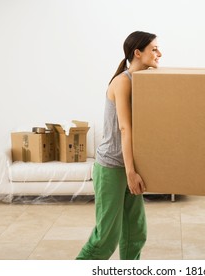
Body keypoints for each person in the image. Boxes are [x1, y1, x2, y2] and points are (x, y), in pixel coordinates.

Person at [76, 31, 162, 260]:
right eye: (154, 49)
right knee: (106, 239)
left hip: (129, 164)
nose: (159, 53)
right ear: (137, 52)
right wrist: (130, 172)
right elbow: (125, 128)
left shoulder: (144, 81)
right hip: (113, 168)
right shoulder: (123, 82)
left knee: (135, 234)